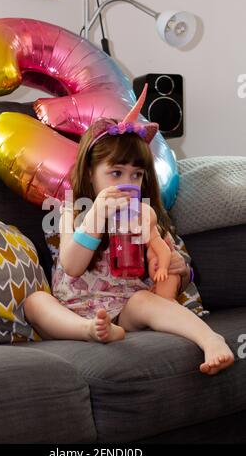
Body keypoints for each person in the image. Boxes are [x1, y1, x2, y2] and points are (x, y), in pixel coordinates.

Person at [24, 85, 234, 375]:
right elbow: (72, 265)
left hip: (126, 310)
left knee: (144, 299)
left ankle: (209, 338)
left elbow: (169, 277)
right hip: (73, 310)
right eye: (115, 173)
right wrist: (97, 215)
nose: (128, 182)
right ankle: (89, 330)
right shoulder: (74, 210)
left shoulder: (144, 215)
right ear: (89, 173)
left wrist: (177, 268)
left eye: (136, 175)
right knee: (35, 302)